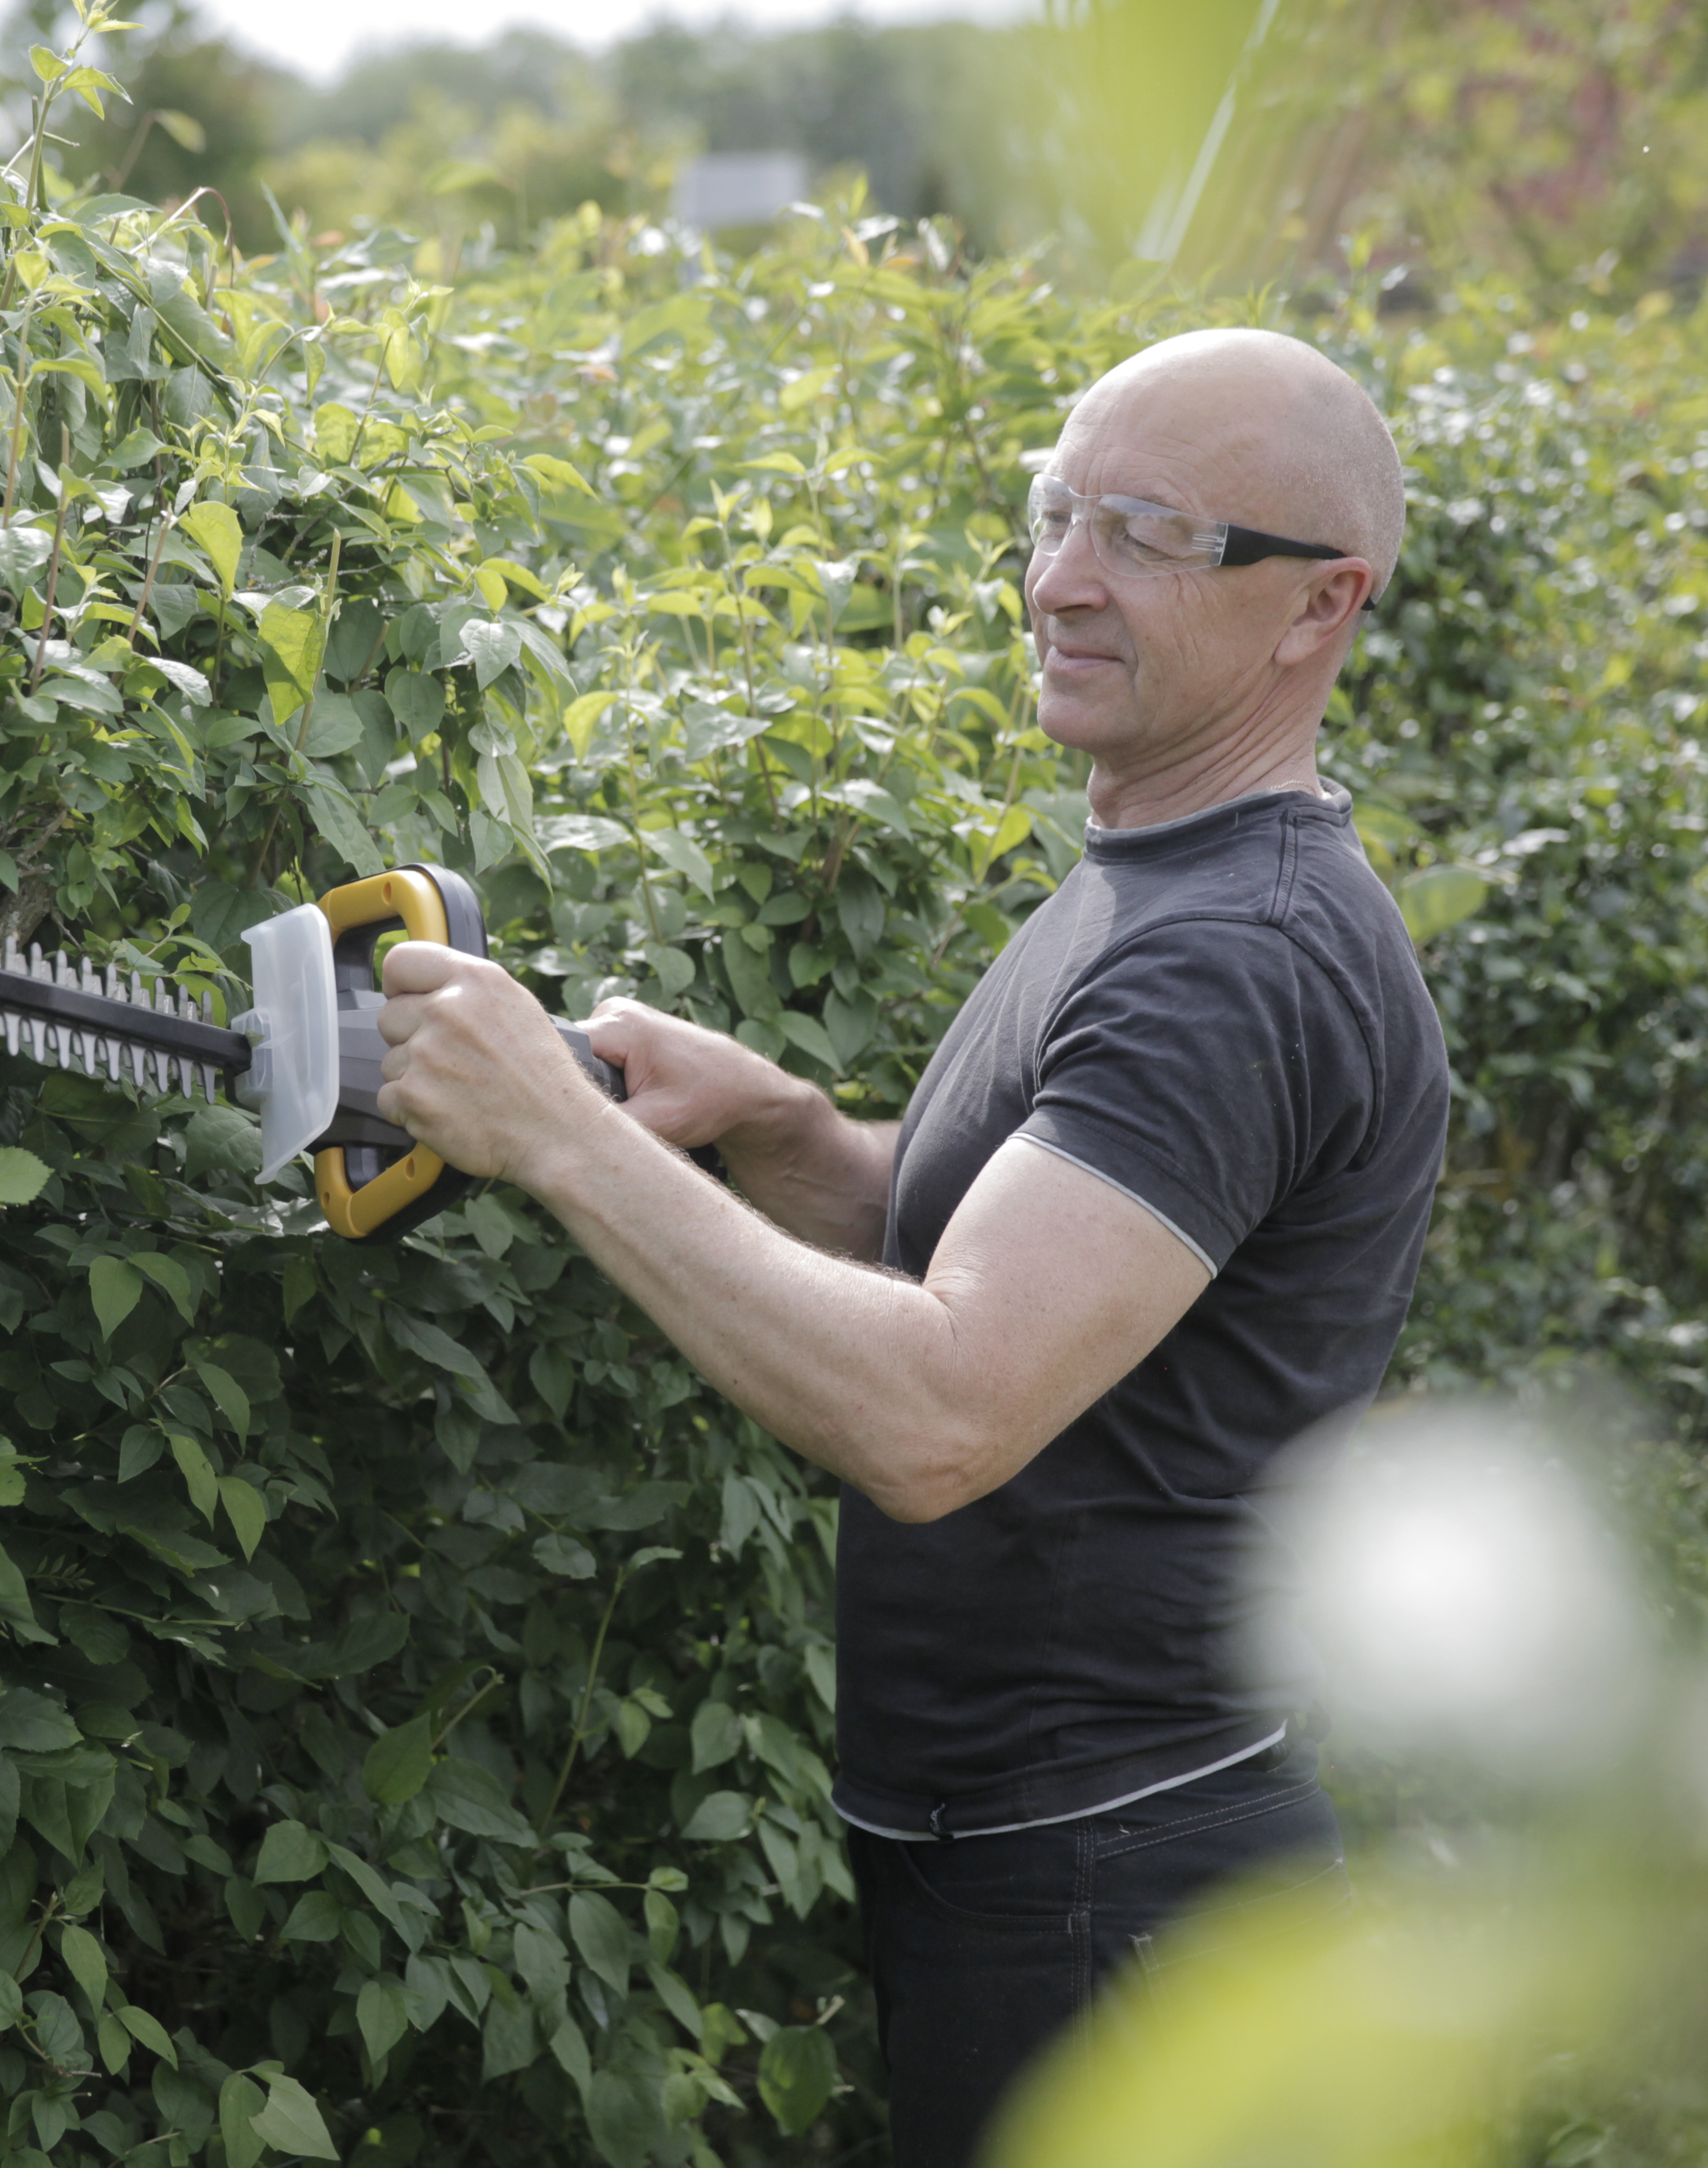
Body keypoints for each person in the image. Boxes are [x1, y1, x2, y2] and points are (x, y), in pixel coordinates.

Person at [368, 326, 1452, 2166]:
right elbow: (1014, 1274)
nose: (1059, 578)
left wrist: (555, 1140)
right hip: (1055, 1875)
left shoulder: (1231, 959)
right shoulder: (1159, 878)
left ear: (1317, 606)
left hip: (1119, 1904)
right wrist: (784, 1130)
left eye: (1146, 533)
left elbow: (945, 1411)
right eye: (1053, 511)